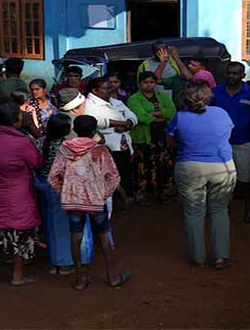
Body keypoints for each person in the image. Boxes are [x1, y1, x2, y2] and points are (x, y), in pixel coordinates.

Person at [48, 115, 130, 290]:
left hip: (73, 200)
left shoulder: (64, 149)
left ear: (74, 130)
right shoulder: (100, 150)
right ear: (93, 131)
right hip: (95, 200)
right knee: (104, 234)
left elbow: (53, 176)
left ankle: (79, 279)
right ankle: (112, 277)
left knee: (75, 235)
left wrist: (65, 192)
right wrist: (103, 194)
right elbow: (114, 177)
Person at [166, 82, 237, 269]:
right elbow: (227, 137)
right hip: (221, 166)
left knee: (194, 212)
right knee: (219, 210)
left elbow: (171, 141)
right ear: (207, 96)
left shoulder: (179, 117)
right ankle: (220, 257)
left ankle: (198, 258)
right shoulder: (221, 113)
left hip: (189, 166)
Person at [0, 100, 43, 285]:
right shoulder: (22, 141)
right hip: (18, 195)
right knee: (19, 235)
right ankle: (17, 276)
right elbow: (36, 163)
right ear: (15, 119)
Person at [35, 114, 94, 275]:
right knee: (76, 226)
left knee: (53, 226)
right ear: (65, 130)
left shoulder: (39, 142)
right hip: (68, 189)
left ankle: (56, 263)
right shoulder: (68, 146)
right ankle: (74, 261)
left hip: (47, 188)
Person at [211, 62, 250, 223]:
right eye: (229, 73)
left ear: (243, 75)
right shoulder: (215, 93)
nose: (231, 76)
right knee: (220, 177)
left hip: (243, 142)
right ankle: (222, 207)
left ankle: (248, 207)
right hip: (219, 143)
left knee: (245, 178)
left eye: (235, 74)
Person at [128, 71, 177, 205]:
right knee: (143, 167)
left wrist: (154, 113)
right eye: (146, 82)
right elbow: (141, 117)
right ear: (140, 84)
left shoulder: (162, 96)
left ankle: (162, 193)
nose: (149, 85)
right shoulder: (134, 99)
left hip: (161, 137)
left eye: (152, 82)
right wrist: (161, 115)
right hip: (144, 139)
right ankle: (141, 194)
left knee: (163, 166)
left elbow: (172, 112)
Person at [84, 77, 138, 198]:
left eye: (110, 88)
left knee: (125, 172)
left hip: (124, 143)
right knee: (110, 176)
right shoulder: (89, 104)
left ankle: (126, 200)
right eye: (106, 88)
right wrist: (121, 124)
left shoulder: (115, 101)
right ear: (95, 91)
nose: (110, 90)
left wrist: (129, 123)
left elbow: (132, 115)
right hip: (107, 145)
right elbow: (96, 121)